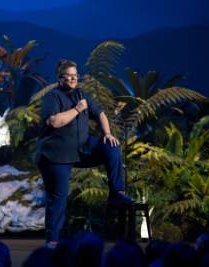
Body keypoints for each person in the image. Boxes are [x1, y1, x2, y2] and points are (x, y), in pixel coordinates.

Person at [34, 60, 134, 248]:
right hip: (56, 155)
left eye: (75, 75)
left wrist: (107, 133)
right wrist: (77, 109)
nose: (73, 78)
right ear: (60, 77)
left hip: (82, 149)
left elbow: (100, 113)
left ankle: (116, 192)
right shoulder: (52, 96)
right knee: (58, 196)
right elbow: (54, 122)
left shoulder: (81, 94)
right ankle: (52, 240)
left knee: (111, 147)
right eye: (68, 75)